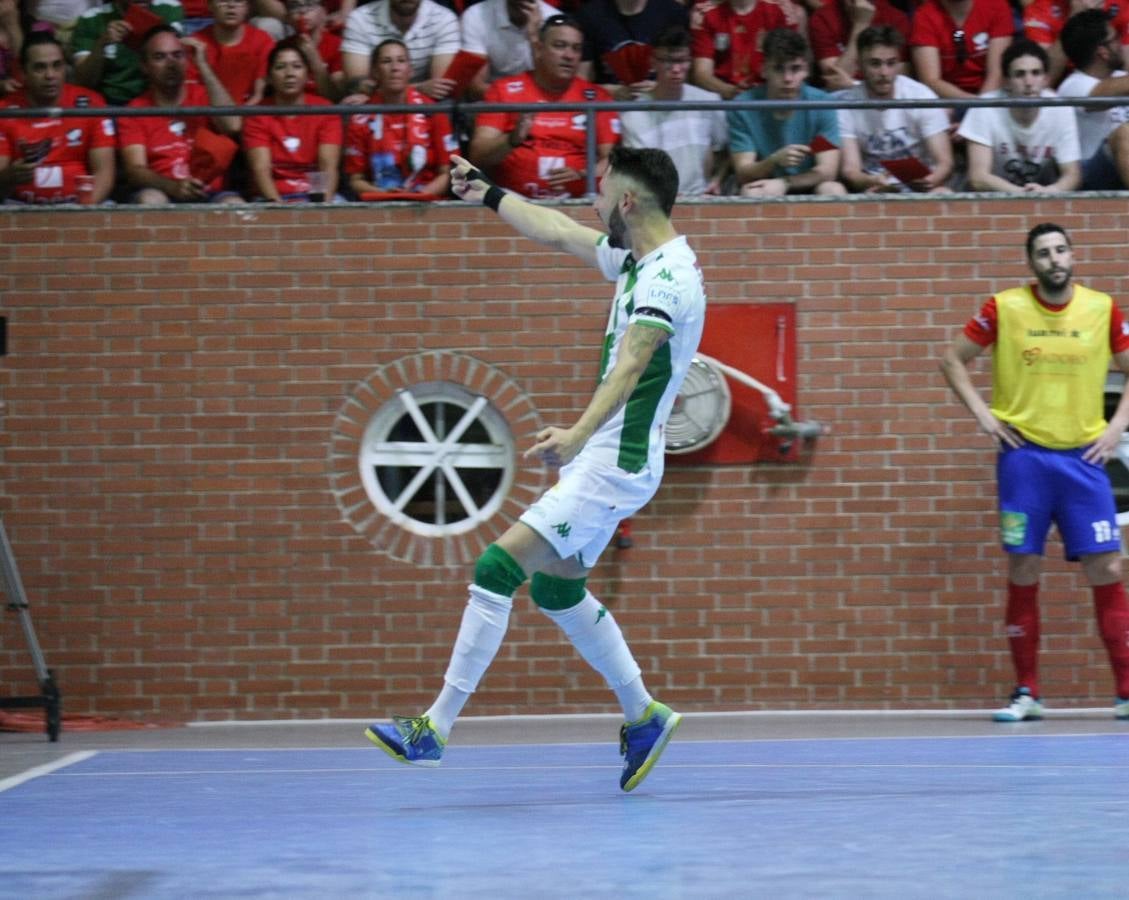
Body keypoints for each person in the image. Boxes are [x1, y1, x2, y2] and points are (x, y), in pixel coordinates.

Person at [365, 144, 706, 791]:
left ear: (628, 202)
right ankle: (644, 716)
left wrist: (577, 435)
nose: (593, 201)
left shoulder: (667, 279)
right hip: (612, 458)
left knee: (496, 567)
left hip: (614, 461)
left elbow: (633, 362)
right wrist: (487, 193)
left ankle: (433, 729)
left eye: (601, 190)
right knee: (554, 589)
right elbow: (556, 232)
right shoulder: (637, 260)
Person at [940, 223, 1129, 723]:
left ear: (1072, 256)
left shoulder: (1102, 309)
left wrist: (1115, 429)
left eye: (1061, 250)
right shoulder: (1003, 308)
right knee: (1024, 568)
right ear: (1032, 262)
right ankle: (1027, 691)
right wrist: (985, 417)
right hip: (1024, 460)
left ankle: (1127, 692)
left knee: (1108, 568)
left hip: (1084, 460)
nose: (1054, 259)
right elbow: (952, 360)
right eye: (1043, 253)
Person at [468, 14, 620, 199]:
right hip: (512, 203)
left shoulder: (597, 98)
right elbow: (478, 155)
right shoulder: (504, 91)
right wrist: (512, 139)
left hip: (576, 204)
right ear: (539, 49)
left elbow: (614, 161)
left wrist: (583, 176)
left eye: (576, 48)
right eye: (559, 46)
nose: (569, 56)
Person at [117, 24, 243, 203]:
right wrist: (172, 187)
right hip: (162, 190)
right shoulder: (134, 111)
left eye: (177, 55)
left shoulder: (206, 96)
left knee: (234, 204)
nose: (171, 63)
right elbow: (135, 170)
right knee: (150, 199)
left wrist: (203, 66)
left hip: (210, 192)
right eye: (160, 57)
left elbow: (233, 125)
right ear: (144, 66)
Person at [0, 31, 116, 204]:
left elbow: (104, 173)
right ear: (23, 72)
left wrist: (80, 214)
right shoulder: (5, 110)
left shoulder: (92, 103)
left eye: (57, 65)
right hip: (19, 207)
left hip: (81, 208)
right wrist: (8, 177)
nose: (50, 75)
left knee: (111, 209)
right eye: (40, 67)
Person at [728, 28, 846, 196]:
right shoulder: (743, 106)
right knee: (751, 193)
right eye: (778, 69)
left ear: (807, 70)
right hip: (766, 183)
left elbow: (828, 170)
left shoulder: (822, 103)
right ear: (763, 69)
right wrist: (774, 161)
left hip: (809, 182)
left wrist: (785, 183)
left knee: (833, 189)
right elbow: (743, 173)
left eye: (795, 69)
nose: (788, 78)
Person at [837, 25, 953, 192]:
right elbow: (850, 170)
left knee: (944, 193)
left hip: (921, 185)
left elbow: (945, 163)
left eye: (891, 63)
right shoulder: (847, 104)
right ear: (859, 66)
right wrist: (871, 181)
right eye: (875, 64)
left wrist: (930, 180)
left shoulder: (920, 96)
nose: (884, 72)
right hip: (874, 185)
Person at [958, 39, 1082, 192]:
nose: (1029, 82)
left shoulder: (1061, 109)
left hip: (1044, 197)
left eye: (1036, 73)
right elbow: (978, 178)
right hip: (993, 198)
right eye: (1019, 74)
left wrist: (1049, 191)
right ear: (1006, 82)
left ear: (1046, 80)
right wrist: (1021, 194)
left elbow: (1073, 175)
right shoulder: (984, 107)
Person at [621, 24, 728, 195]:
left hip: (703, 201)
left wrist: (717, 180)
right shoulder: (633, 115)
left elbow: (726, 151)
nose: (676, 69)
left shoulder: (709, 102)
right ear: (653, 62)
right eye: (668, 61)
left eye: (682, 61)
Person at [343, 38, 455, 197]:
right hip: (380, 202)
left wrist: (419, 196)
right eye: (386, 61)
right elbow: (356, 179)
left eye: (401, 61)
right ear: (375, 72)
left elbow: (448, 172)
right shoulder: (360, 118)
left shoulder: (433, 111)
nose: (395, 68)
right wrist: (386, 195)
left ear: (410, 70)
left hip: (428, 201)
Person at [243, 36, 342, 201]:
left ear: (307, 74)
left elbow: (327, 166)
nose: (289, 74)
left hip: (314, 194)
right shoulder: (257, 114)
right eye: (280, 67)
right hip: (273, 197)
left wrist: (323, 208)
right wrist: (280, 210)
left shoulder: (325, 110)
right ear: (269, 77)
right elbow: (261, 169)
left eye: (297, 67)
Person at [1058, 8, 1129, 189]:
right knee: (1124, 133)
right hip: (1092, 172)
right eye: (1116, 39)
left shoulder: (1121, 77)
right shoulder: (1072, 87)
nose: (1121, 44)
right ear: (1102, 51)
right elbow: (1101, 93)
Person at [72, 0, 186, 105]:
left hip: (159, 101)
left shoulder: (168, 8)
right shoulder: (92, 19)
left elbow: (177, 68)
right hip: (112, 104)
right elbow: (83, 82)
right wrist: (102, 44)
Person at [341, 0, 459, 99]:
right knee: (354, 102)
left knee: (446, 105)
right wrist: (418, 88)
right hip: (374, 99)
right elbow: (356, 83)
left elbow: (440, 87)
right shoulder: (360, 18)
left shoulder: (444, 19)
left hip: (425, 100)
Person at [575, 0, 689, 97]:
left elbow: (683, 69)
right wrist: (613, 91)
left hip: (661, 103)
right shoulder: (590, 15)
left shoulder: (672, 13)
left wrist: (661, 87)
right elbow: (581, 82)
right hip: (608, 106)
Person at [909, 0, 1014, 100]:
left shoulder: (996, 5)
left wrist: (982, 107)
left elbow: (996, 73)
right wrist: (973, 104)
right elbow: (931, 80)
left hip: (992, 95)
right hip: (946, 100)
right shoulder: (924, 16)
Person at [689, 0, 791, 99]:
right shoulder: (709, 15)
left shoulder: (776, 11)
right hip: (724, 97)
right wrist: (729, 91)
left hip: (767, 93)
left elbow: (785, 65)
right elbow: (702, 74)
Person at [459, 0, 559, 100]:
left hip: (539, 102)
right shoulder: (476, 16)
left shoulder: (555, 24)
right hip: (491, 103)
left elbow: (553, 84)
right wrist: (521, 99)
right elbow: (476, 88)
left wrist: (534, 38)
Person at [808, 0, 910, 92]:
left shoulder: (896, 18)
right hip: (842, 98)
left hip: (886, 97)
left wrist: (854, 85)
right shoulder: (823, 18)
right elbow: (834, 82)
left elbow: (896, 80)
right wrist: (861, 24)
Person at [1022, 0, 1129, 85]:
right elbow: (1044, 80)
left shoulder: (1122, 4)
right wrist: (1075, 17)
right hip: (1063, 91)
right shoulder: (1039, 10)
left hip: (1114, 83)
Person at [190, 0, 275, 105]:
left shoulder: (262, 41)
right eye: (224, 1)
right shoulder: (195, 43)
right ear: (210, 5)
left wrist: (238, 118)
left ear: (247, 7)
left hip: (251, 115)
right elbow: (192, 94)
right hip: (207, 114)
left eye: (238, 1)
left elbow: (259, 95)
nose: (231, 5)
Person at [285, 0, 345, 99]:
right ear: (288, 16)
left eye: (309, 4)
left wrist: (315, 61)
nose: (302, 11)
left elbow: (335, 96)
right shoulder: (282, 47)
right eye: (295, 6)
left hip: (323, 109)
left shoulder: (338, 45)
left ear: (324, 12)